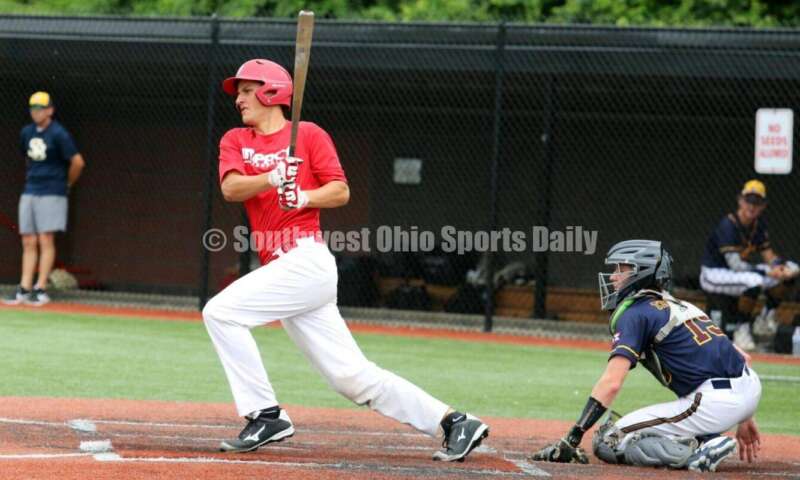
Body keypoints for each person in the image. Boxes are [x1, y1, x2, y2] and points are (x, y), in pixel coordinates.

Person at [202, 59, 489, 461]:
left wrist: (302, 195)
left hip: (305, 259)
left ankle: (265, 414)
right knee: (351, 378)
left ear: (272, 92)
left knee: (221, 312)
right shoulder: (236, 140)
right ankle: (455, 422)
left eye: (248, 90)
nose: (239, 100)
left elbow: (338, 191)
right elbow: (232, 189)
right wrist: (272, 177)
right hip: (283, 269)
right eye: (240, 93)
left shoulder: (310, 135)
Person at [531, 240, 761, 473]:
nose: (613, 277)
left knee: (607, 440)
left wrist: (573, 437)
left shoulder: (635, 313)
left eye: (621, 269)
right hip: (748, 387)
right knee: (659, 423)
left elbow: (611, 383)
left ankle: (698, 451)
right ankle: (706, 439)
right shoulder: (681, 305)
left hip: (713, 403)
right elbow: (741, 357)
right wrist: (745, 415)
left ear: (641, 272)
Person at [3, 91, 85, 307]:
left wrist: (65, 184)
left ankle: (40, 288)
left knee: (45, 239)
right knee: (28, 240)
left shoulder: (59, 134)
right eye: (33, 108)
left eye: (40, 108)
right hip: (31, 190)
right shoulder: (27, 132)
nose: (36, 112)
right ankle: (24, 288)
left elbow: (77, 162)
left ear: (50, 110)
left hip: (52, 191)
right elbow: (26, 158)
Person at [700, 180, 798, 351]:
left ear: (763, 206)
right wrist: (768, 272)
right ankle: (742, 327)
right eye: (748, 200)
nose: (752, 206)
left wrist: (779, 267)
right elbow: (735, 265)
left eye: (757, 202)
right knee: (754, 281)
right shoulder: (728, 225)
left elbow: (769, 255)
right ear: (740, 200)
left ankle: (766, 316)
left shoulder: (757, 225)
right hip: (714, 274)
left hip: (738, 274)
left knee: (792, 270)